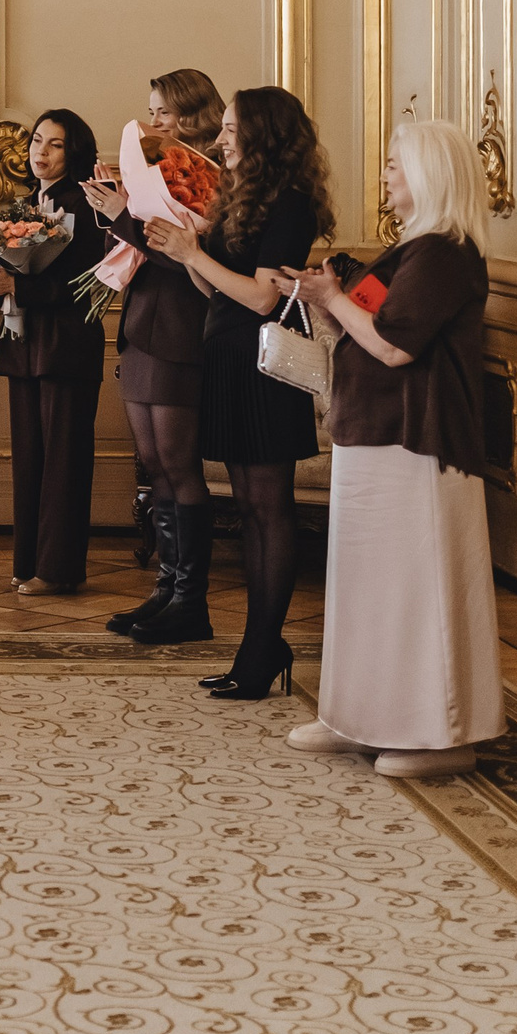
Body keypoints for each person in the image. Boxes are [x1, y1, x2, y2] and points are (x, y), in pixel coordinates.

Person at [280, 119, 505, 779]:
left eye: (394, 164)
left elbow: (394, 346)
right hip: (372, 431)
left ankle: (441, 735)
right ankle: (357, 716)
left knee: (415, 591)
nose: (384, 175)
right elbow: (367, 326)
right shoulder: (411, 250)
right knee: (364, 587)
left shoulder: (444, 253)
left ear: (429, 174)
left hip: (417, 439)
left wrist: (332, 296)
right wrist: (328, 302)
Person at [144, 85, 333, 700]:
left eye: (231, 129)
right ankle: (259, 645)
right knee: (249, 511)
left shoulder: (292, 204)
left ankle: (262, 647)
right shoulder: (241, 198)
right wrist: (187, 251)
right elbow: (216, 292)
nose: (220, 139)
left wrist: (194, 252)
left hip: (263, 368)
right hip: (227, 358)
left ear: (263, 136)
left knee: (268, 510)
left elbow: (260, 298)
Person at [81, 67, 225, 641]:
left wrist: (126, 215)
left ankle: (191, 602)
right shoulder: (160, 165)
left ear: (192, 113)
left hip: (181, 331)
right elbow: (144, 244)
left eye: (163, 112)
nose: (153, 122)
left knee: (177, 464)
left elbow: (183, 256)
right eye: (151, 112)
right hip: (142, 327)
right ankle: (166, 590)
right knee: (155, 466)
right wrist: (116, 211)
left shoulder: (214, 174)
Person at [0, 108, 104, 596]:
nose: (41, 151)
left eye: (55, 144)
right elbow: (19, 271)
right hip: (25, 341)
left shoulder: (88, 204)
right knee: (30, 458)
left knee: (64, 461)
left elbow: (84, 284)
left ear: (73, 152)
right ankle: (28, 561)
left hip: (67, 344)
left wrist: (17, 286)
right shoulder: (24, 205)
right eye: (37, 140)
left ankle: (59, 569)